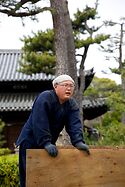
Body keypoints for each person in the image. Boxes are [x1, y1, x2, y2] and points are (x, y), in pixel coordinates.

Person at [16, 74, 90, 187]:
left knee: (46, 176)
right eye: (65, 85)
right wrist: (45, 142)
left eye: (71, 86)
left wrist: (78, 141)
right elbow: (40, 121)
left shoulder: (71, 104)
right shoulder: (45, 97)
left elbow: (74, 124)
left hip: (48, 144)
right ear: (55, 86)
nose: (69, 88)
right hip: (30, 141)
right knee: (29, 177)